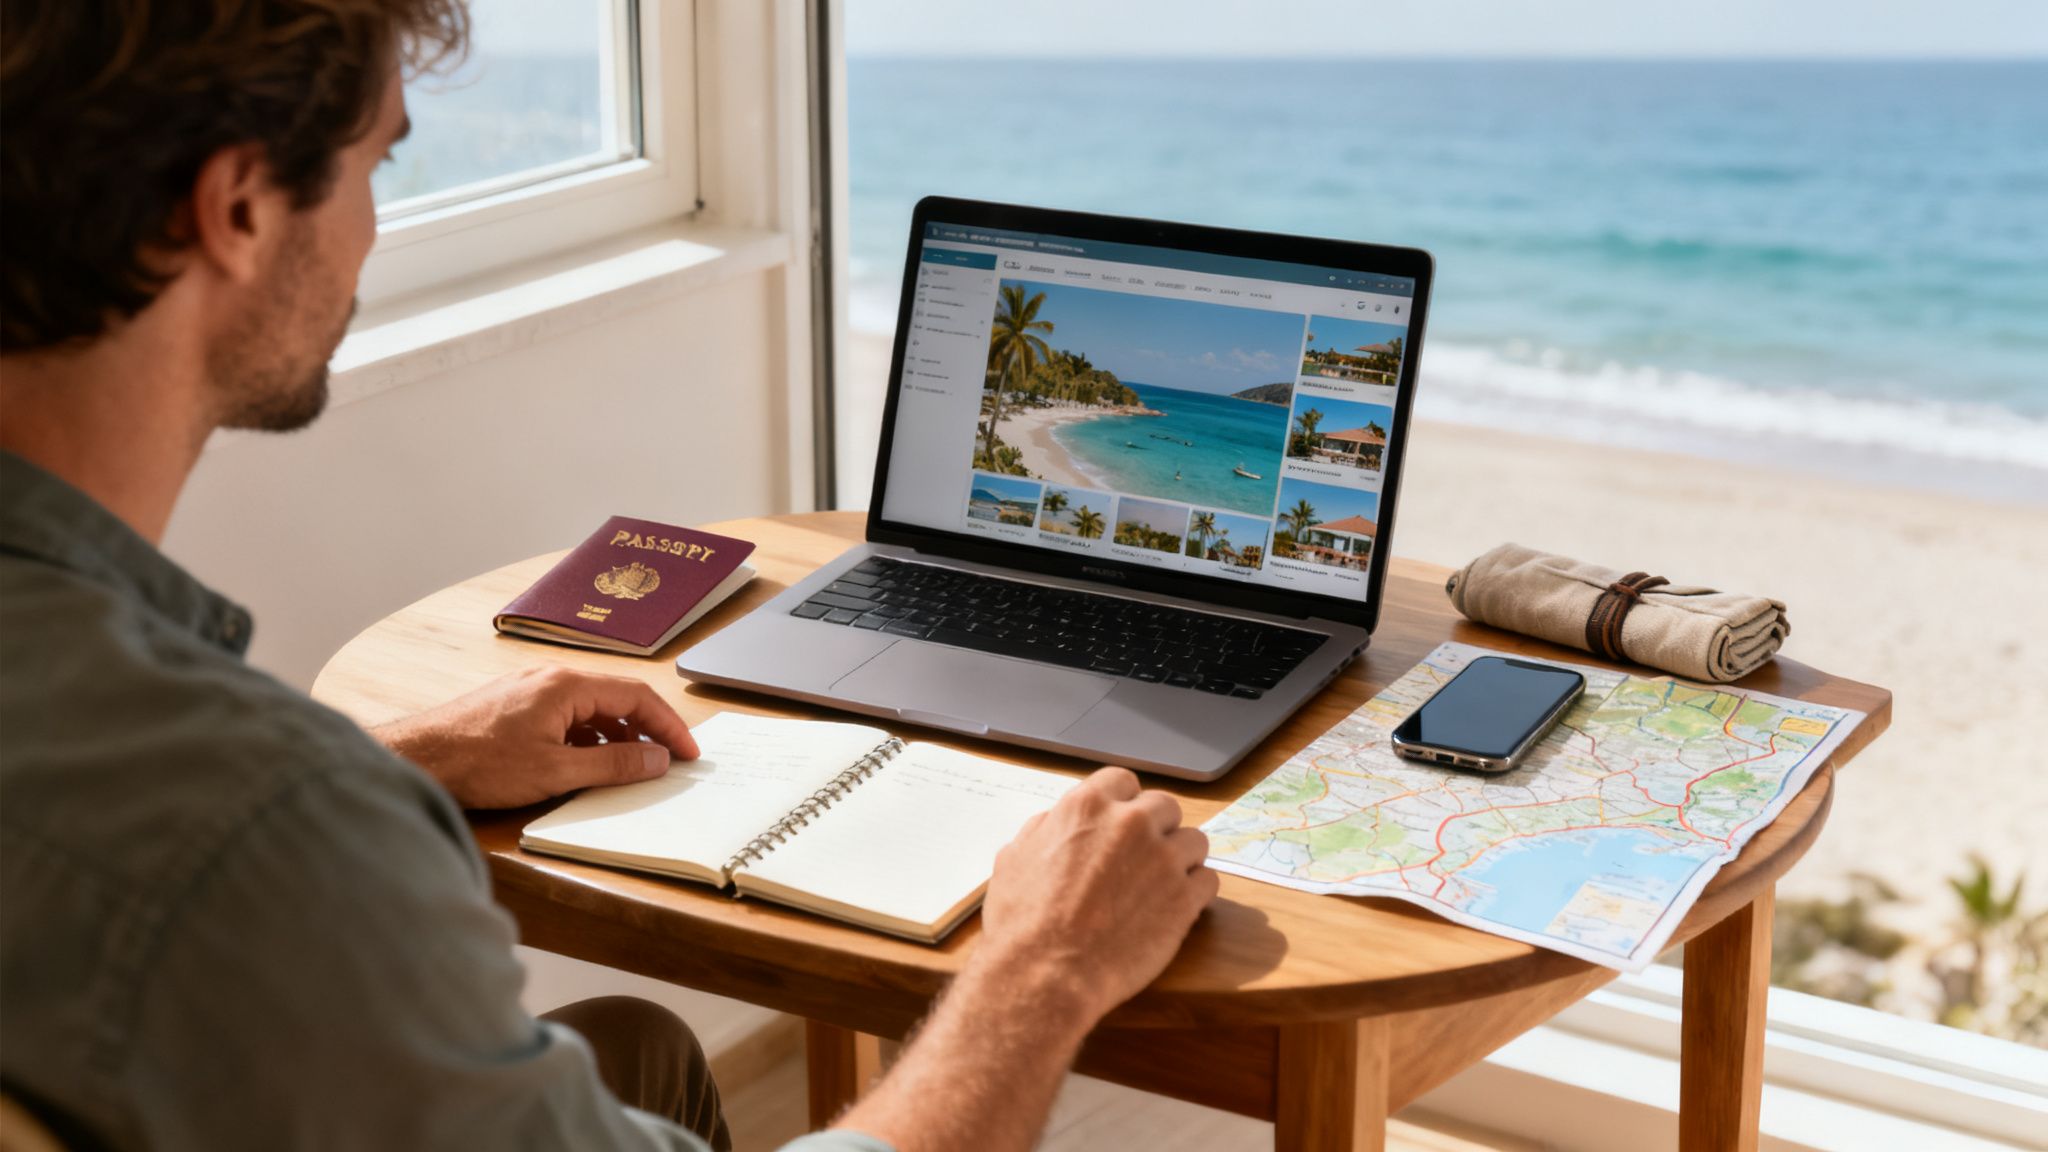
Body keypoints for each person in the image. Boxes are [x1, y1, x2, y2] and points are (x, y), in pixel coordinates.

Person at [0, 3, 1219, 1150]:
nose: (374, 227)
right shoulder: (264, 838)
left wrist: (399, 757)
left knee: (638, 1049)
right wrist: (1043, 970)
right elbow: (222, 844)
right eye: (377, 165)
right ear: (235, 208)